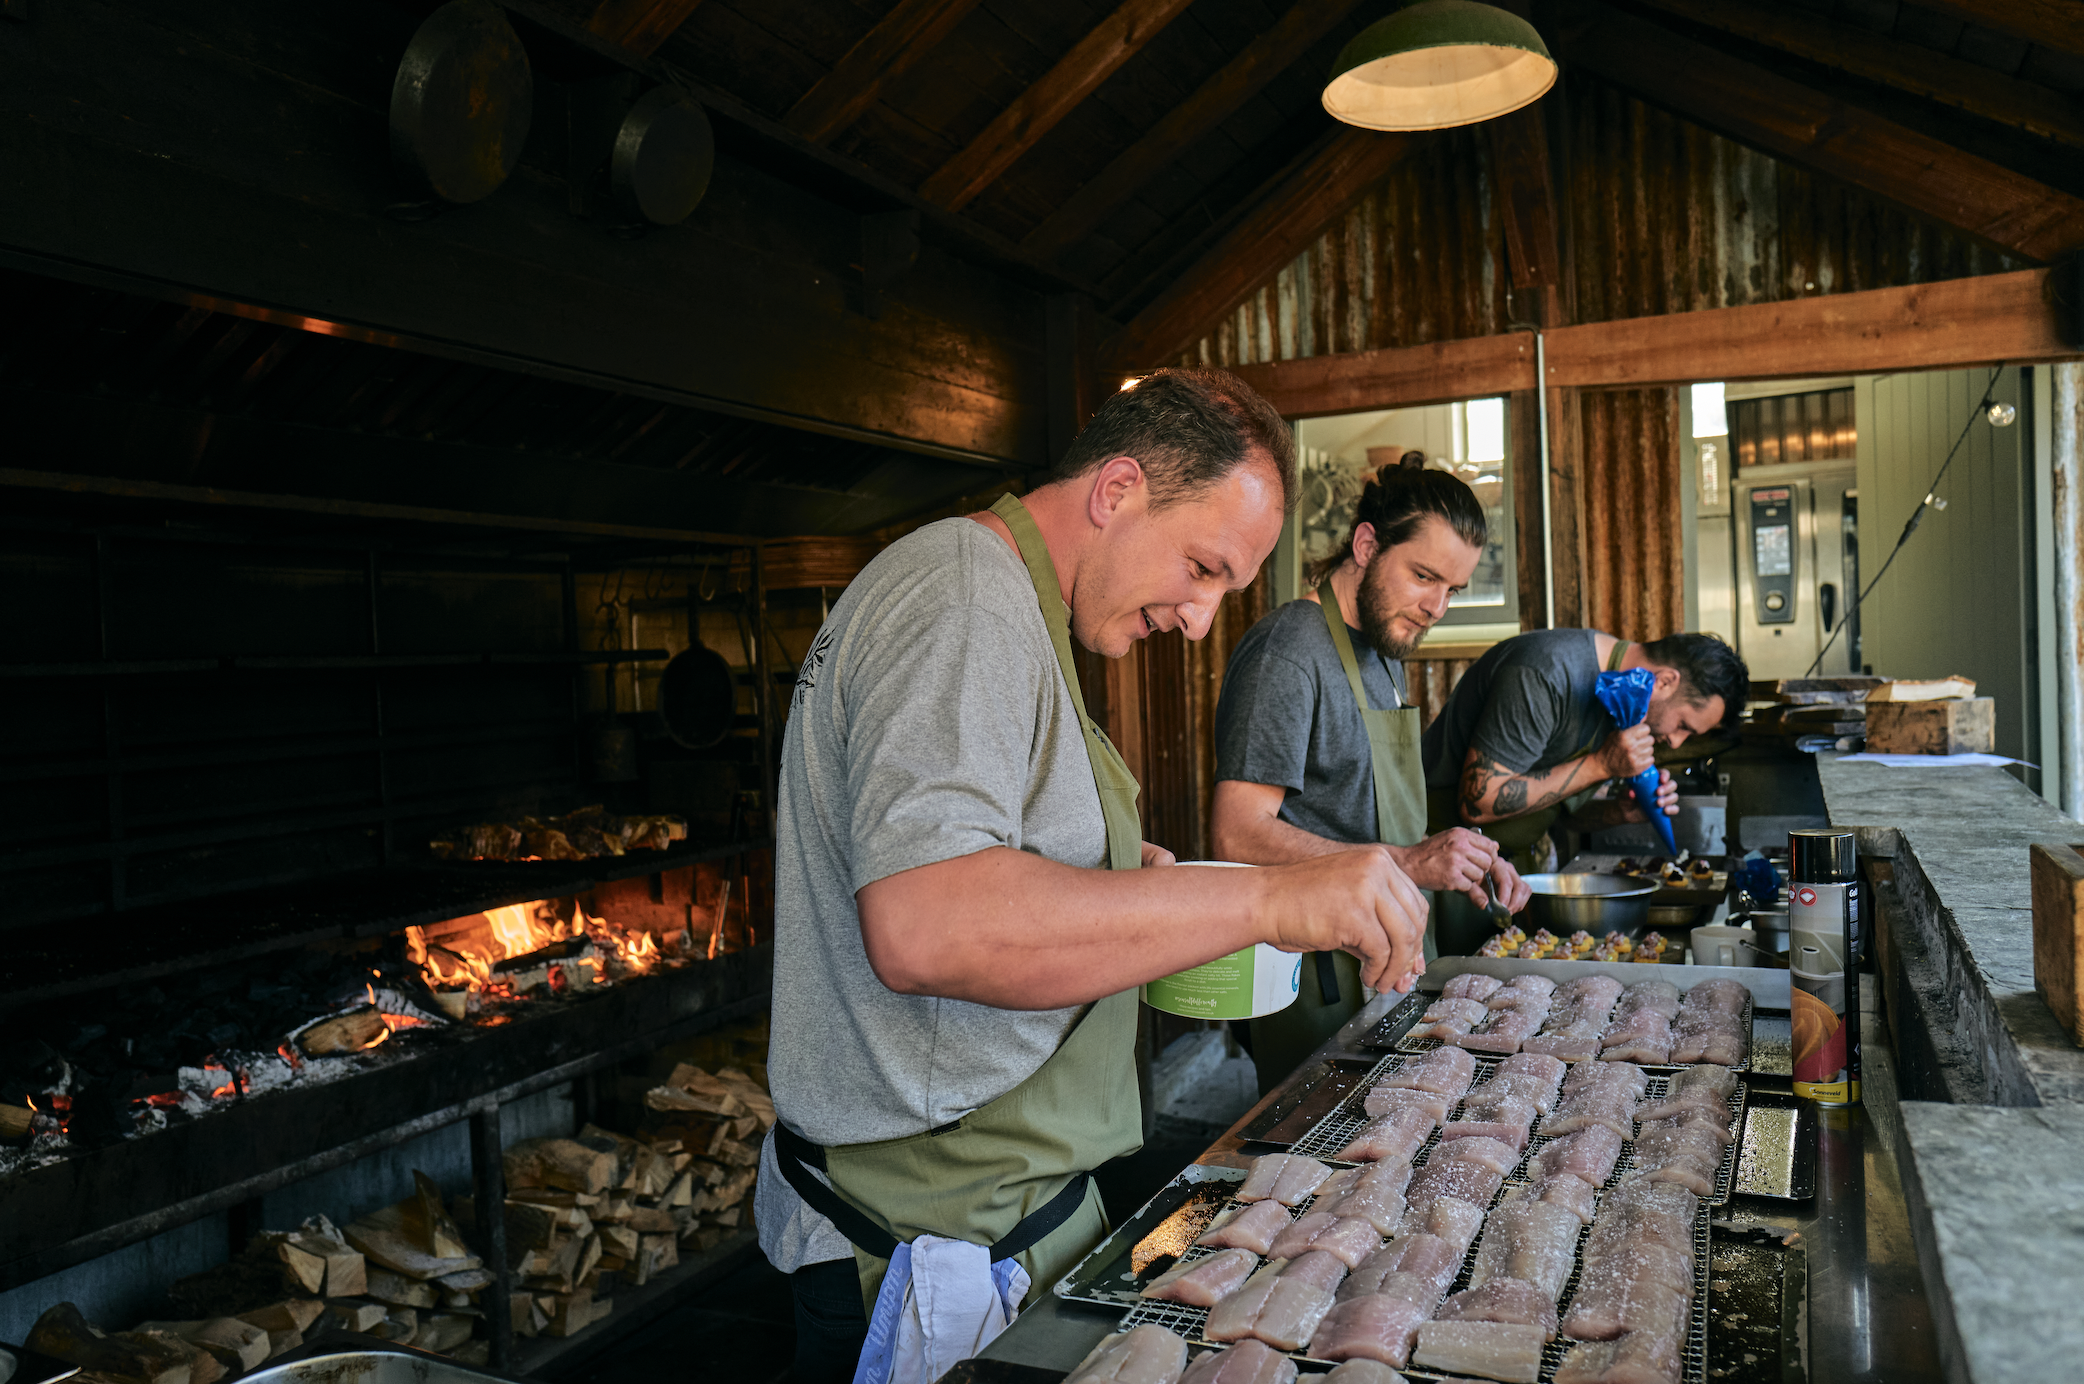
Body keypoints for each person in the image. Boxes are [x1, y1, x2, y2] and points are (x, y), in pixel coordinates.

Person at [756, 368, 1433, 1384]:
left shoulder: (1010, 606)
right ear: (1116, 490)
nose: (1200, 619)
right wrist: (1267, 895)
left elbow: (983, 857)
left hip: (1011, 1202)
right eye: (1201, 567)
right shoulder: (962, 597)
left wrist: (1120, 874)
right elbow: (930, 924)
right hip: (927, 1233)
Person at [1210, 461, 1533, 1088]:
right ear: (1365, 545)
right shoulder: (1288, 652)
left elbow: (1367, 814)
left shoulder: (1384, 650)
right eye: (1424, 576)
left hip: (1390, 953)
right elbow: (1237, 835)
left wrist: (1460, 856)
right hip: (1316, 980)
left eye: (1452, 589)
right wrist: (1408, 862)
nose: (1436, 607)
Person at [1420, 628, 1748, 941]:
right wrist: (1601, 765)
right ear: (1664, 682)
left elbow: (1556, 809)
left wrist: (1617, 812)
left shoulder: (1624, 702)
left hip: (1505, 873)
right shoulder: (1545, 673)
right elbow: (1478, 803)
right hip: (1440, 867)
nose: (1676, 742)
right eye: (1683, 725)